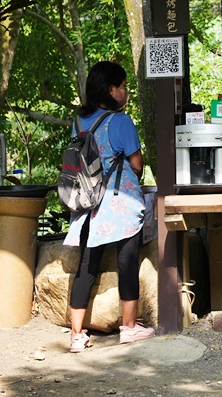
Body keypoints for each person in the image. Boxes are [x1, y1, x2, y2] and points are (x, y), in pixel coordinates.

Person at [63, 61, 154, 352]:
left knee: (86, 267)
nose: (126, 92)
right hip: (119, 205)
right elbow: (137, 164)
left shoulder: (79, 122)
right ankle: (129, 328)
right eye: (123, 86)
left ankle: (77, 335)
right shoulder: (121, 122)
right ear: (111, 89)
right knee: (127, 264)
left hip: (86, 205)